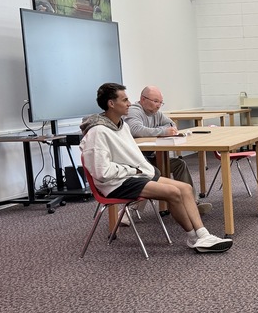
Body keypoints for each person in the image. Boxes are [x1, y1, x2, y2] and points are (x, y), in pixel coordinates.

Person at [80, 83, 232, 253]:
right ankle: (193, 237)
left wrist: (141, 170)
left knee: (186, 188)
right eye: (125, 99)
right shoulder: (98, 132)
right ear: (111, 104)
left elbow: (131, 157)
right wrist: (134, 170)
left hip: (134, 175)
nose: (129, 103)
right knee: (173, 193)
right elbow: (102, 172)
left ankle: (203, 235)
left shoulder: (122, 126)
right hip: (117, 183)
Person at [125, 85, 212, 216]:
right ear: (143, 99)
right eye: (155, 101)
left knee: (179, 164)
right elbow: (136, 130)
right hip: (134, 162)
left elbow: (172, 125)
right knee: (155, 172)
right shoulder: (134, 111)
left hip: (150, 158)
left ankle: (191, 203)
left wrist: (165, 129)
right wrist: (163, 131)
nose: (159, 105)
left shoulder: (156, 113)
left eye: (160, 102)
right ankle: (128, 211)